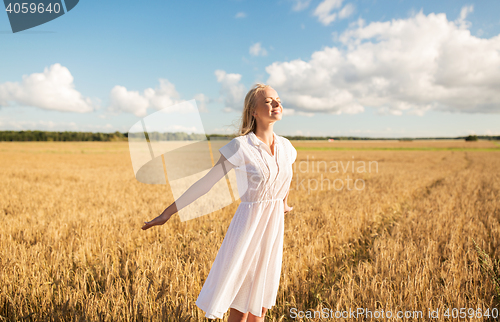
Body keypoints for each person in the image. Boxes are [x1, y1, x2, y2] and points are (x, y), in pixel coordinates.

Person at [142, 83, 297, 322]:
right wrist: (167, 213)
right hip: (248, 227)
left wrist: (283, 203)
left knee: (261, 306)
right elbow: (205, 184)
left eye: (278, 99)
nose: (277, 104)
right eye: (268, 101)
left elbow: (285, 175)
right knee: (241, 305)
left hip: (273, 228)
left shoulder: (287, 147)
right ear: (253, 111)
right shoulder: (241, 146)